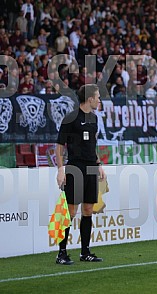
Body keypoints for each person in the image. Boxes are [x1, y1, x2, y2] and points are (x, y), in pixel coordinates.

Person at [55, 84, 106, 264]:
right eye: (98, 97)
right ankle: (61, 253)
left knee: (88, 210)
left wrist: (98, 163)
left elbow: (91, 145)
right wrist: (61, 169)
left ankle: (85, 252)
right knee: (70, 211)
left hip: (91, 167)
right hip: (74, 167)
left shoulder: (94, 118)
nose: (99, 100)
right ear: (90, 98)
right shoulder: (70, 118)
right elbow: (60, 147)